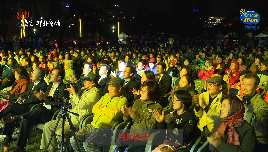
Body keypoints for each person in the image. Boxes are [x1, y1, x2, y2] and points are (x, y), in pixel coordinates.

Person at [9, 68, 68, 152]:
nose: (50, 75)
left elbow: (61, 102)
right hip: (41, 112)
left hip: (51, 114)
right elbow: (44, 98)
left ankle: (19, 117)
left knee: (39, 108)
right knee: (26, 120)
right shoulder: (50, 85)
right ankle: (20, 147)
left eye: (53, 74)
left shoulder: (63, 87)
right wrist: (39, 96)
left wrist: (46, 98)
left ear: (59, 77)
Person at [40, 73, 100, 152]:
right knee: (48, 126)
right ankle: (49, 149)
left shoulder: (94, 93)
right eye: (84, 80)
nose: (84, 82)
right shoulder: (84, 90)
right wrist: (71, 94)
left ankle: (64, 149)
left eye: (87, 80)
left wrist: (74, 93)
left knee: (59, 132)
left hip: (76, 121)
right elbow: (73, 103)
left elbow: (82, 105)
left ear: (93, 83)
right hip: (68, 117)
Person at [73, 77, 127, 152]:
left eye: (112, 86)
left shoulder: (122, 100)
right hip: (93, 125)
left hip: (105, 129)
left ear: (119, 88)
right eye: (109, 86)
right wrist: (107, 111)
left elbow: (114, 115)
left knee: (89, 144)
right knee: (74, 140)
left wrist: (103, 108)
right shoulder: (105, 96)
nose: (109, 88)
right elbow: (94, 109)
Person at [1, 67, 47, 151]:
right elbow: (24, 94)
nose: (31, 74)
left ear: (40, 77)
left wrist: (24, 100)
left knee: (12, 106)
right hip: (25, 105)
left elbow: (36, 99)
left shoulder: (43, 85)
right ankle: (8, 138)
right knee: (11, 112)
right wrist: (16, 97)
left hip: (32, 108)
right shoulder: (31, 84)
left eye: (34, 73)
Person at [117, 80, 163, 152]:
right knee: (118, 149)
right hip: (131, 136)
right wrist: (126, 114)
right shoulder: (138, 102)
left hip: (143, 140)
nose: (141, 92)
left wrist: (135, 116)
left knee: (128, 150)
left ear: (151, 93)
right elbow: (127, 120)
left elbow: (150, 126)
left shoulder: (156, 107)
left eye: (144, 91)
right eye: (141, 90)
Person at [241, 73, 268, 151]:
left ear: (257, 87)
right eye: (243, 84)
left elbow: (255, 121)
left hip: (257, 144)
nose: (243, 88)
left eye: (248, 85)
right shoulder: (242, 100)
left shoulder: (262, 105)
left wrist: (241, 106)